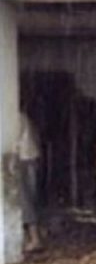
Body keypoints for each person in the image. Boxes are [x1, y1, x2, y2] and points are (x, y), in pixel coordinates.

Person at [15, 107, 43, 253]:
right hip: (30, 157)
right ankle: (30, 237)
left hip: (21, 159)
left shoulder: (12, 117)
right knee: (29, 197)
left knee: (24, 199)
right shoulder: (22, 116)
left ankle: (34, 238)